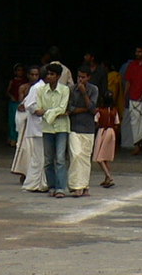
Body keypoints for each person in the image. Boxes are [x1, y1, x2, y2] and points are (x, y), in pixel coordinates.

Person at [35, 62, 72, 199]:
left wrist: (47, 112)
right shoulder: (41, 90)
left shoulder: (65, 90)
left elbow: (63, 109)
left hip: (62, 128)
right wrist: (54, 113)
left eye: (52, 74)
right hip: (47, 129)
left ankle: (61, 187)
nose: (49, 77)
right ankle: (52, 186)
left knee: (61, 158)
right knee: (48, 159)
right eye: (48, 74)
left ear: (58, 76)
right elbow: (38, 110)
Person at [66, 67, 99, 196]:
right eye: (79, 76)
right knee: (76, 155)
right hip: (74, 127)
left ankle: (84, 186)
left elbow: (92, 108)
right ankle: (76, 186)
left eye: (83, 77)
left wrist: (84, 93)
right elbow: (70, 109)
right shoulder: (71, 90)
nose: (80, 79)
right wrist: (84, 109)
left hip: (88, 128)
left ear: (88, 77)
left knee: (85, 158)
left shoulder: (93, 89)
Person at [19, 72, 49, 192]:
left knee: (42, 157)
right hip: (38, 127)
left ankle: (40, 183)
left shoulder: (44, 88)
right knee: (39, 156)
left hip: (43, 126)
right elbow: (29, 105)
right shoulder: (37, 88)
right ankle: (33, 183)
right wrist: (39, 111)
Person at [92, 87, 119, 188]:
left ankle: (109, 176)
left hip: (102, 132)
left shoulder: (100, 111)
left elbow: (96, 122)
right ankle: (106, 178)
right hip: (111, 132)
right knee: (106, 157)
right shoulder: (114, 111)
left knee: (99, 157)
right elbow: (116, 123)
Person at [5, 63, 26, 147]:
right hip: (13, 103)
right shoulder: (12, 81)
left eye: (21, 70)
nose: (20, 72)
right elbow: (7, 92)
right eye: (18, 70)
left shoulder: (25, 82)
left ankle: (19, 139)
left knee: (20, 121)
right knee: (12, 121)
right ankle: (12, 138)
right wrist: (11, 96)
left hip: (22, 103)